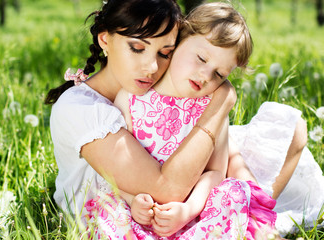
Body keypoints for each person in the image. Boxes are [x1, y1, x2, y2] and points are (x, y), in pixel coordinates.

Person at [115, 2, 324, 237]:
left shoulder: (211, 105)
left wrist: (188, 210)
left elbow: (216, 172)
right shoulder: (133, 97)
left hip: (195, 209)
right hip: (145, 211)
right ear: (181, 38)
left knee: (234, 191)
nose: (205, 76)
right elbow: (117, 169)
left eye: (218, 74)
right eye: (201, 58)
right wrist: (133, 201)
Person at [45, 0, 249, 238]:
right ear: (105, 40)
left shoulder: (173, 94)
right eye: (137, 48)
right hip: (114, 220)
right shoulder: (81, 109)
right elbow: (167, 190)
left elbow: (220, 162)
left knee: (286, 136)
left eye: (165, 53)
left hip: (181, 204)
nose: (152, 66)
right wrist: (222, 101)